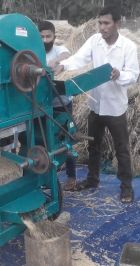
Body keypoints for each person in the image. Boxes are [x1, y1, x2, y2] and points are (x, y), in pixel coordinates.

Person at [56, 6, 139, 203]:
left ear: (117, 24)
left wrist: (120, 75)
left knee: (122, 149)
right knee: (94, 145)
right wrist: (63, 65)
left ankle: (126, 188)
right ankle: (92, 180)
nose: (102, 27)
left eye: (106, 23)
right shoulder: (94, 41)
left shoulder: (128, 46)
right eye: (100, 23)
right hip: (96, 105)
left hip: (115, 108)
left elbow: (134, 75)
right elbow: (79, 58)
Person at [38, 20, 77, 191]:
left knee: (66, 141)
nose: (45, 40)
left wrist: (56, 63)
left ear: (54, 36)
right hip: (42, 106)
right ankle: (46, 178)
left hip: (62, 104)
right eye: (41, 37)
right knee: (44, 142)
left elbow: (67, 54)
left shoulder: (59, 49)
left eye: (48, 36)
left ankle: (71, 177)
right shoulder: (33, 52)